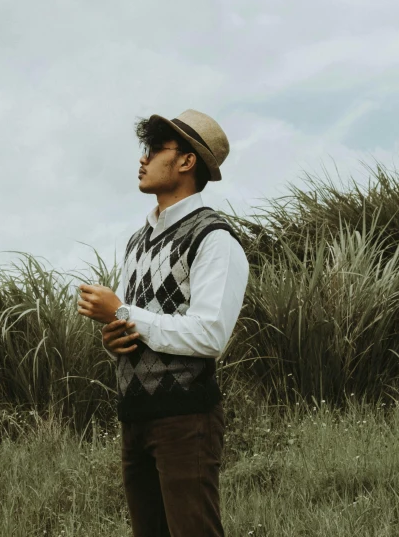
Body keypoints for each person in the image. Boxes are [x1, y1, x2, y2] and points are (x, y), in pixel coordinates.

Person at [78, 109, 249, 537]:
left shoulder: (214, 238)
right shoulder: (137, 242)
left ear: (187, 162)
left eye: (155, 149)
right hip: (134, 416)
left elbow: (210, 334)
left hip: (186, 418)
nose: (143, 158)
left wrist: (122, 312)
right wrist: (114, 336)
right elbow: (140, 323)